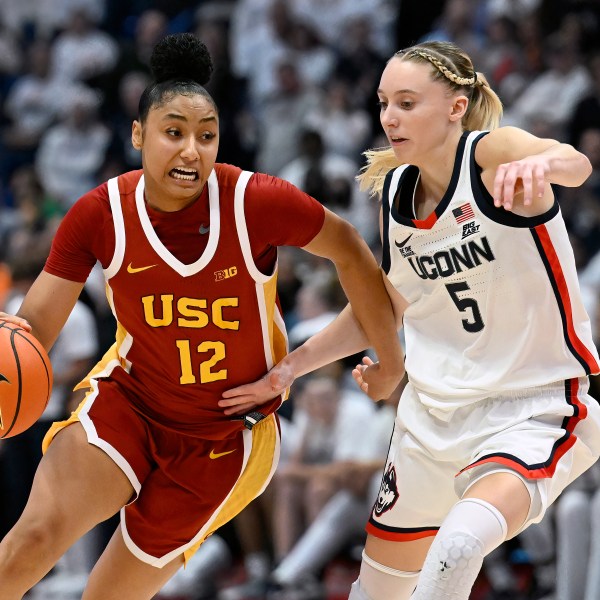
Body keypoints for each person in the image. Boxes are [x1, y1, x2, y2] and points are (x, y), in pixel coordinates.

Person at [0, 33, 403, 600]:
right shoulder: (99, 213)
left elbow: (351, 249)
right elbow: (34, 326)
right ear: (139, 135)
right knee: (32, 540)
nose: (191, 150)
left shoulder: (255, 202)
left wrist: (390, 360)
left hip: (224, 437)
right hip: (132, 401)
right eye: (173, 132)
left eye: (206, 135)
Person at [219, 40, 600, 600]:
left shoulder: (494, 152)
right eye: (383, 104)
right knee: (374, 592)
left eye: (405, 102)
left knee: (458, 547)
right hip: (429, 419)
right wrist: (288, 370)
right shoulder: (396, 190)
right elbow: (386, 304)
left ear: (455, 106)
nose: (389, 118)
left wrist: (543, 162)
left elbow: (577, 161)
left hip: (529, 406)